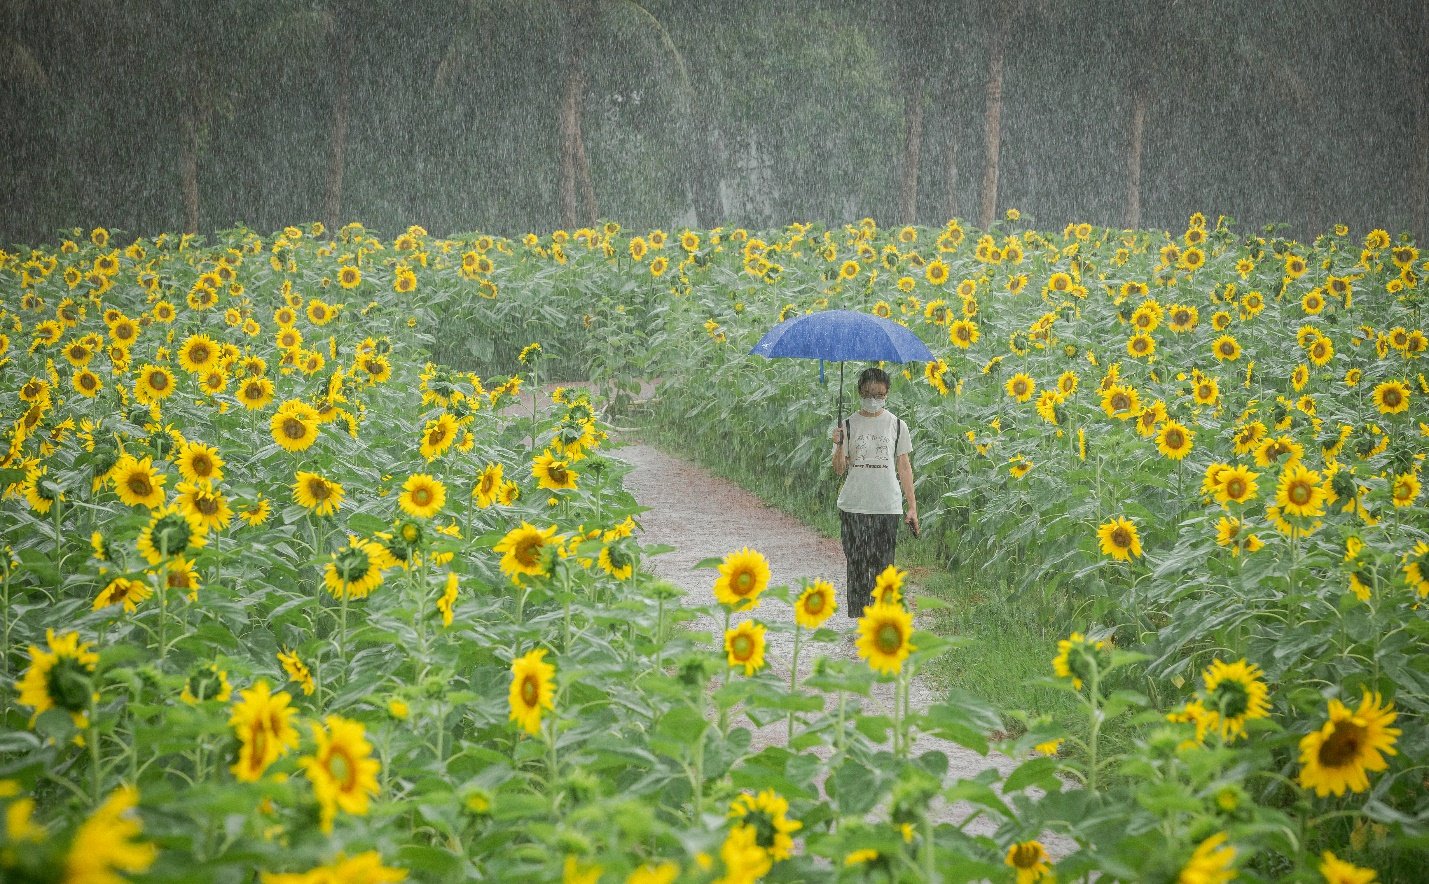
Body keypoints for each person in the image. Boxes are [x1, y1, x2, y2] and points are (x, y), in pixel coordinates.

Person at [831, 366, 918, 623]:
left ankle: (880, 621)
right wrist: (838, 445)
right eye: (869, 393)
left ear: (887, 394)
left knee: (883, 568)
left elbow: (904, 466)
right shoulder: (847, 424)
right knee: (856, 565)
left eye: (879, 394)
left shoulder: (897, 426)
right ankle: (860, 622)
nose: (873, 399)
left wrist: (912, 506)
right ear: (860, 391)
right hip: (854, 505)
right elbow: (839, 470)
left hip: (886, 506)